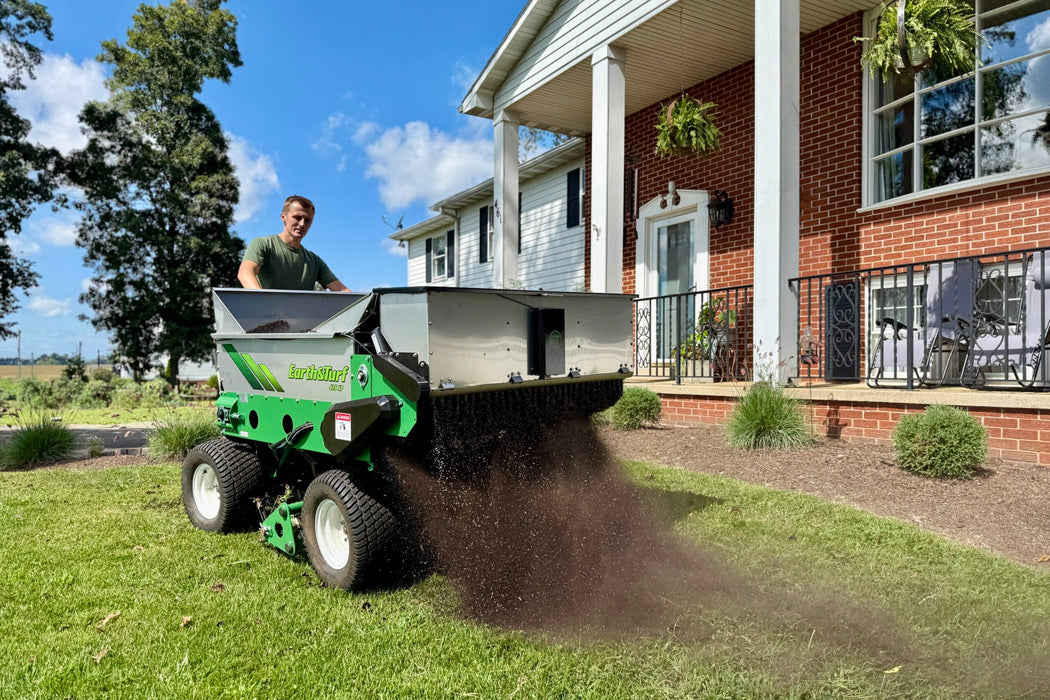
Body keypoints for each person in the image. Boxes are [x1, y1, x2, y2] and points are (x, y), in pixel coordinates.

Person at [238, 195, 351, 291]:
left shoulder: (315, 262)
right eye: (297, 217)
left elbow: (342, 291)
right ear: (283, 217)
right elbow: (245, 273)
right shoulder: (263, 244)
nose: (302, 224)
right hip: (266, 310)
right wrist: (264, 301)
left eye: (307, 220)